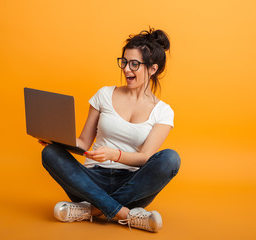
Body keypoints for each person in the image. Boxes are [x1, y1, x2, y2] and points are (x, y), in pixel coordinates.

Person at [40, 27, 180, 233]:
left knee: (170, 158)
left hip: (133, 184)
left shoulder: (163, 111)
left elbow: (145, 157)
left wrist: (115, 155)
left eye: (134, 64)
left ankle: (91, 210)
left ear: (152, 69)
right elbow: (84, 143)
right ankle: (126, 214)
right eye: (124, 62)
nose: (126, 69)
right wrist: (57, 140)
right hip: (91, 180)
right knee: (49, 153)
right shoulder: (104, 94)